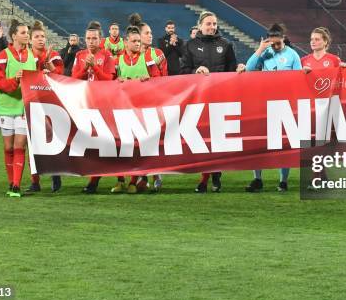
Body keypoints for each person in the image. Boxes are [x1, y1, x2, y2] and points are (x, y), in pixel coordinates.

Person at [181, 11, 240, 193]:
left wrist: (239, 69)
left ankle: (210, 177)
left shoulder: (226, 45)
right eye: (209, 23)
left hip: (221, 100)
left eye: (214, 24)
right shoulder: (190, 45)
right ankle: (209, 175)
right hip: (198, 100)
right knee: (204, 140)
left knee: (218, 140)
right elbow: (182, 72)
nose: (212, 27)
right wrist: (195, 72)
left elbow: (232, 71)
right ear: (200, 25)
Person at [243, 23, 302, 193]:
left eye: (277, 43)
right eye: (272, 43)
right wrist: (260, 49)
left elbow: (299, 79)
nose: (275, 47)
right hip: (264, 102)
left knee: (283, 143)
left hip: (285, 104)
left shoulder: (292, 55)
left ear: (283, 39)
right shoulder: (266, 52)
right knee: (259, 141)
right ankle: (257, 179)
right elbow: (248, 68)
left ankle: (283, 181)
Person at [112, 25, 168, 194]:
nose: (138, 44)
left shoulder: (147, 59)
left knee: (138, 147)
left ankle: (133, 182)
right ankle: (121, 180)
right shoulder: (117, 60)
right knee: (121, 146)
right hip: (122, 108)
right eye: (134, 41)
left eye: (139, 41)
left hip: (142, 109)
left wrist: (150, 78)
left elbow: (160, 81)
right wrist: (116, 80)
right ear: (125, 42)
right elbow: (108, 80)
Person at [72, 22, 117, 193]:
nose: (91, 41)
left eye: (94, 38)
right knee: (91, 143)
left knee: (105, 141)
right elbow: (74, 78)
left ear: (101, 39)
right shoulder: (80, 55)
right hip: (85, 104)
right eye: (88, 38)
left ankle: (94, 182)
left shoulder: (107, 56)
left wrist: (95, 67)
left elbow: (108, 80)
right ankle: (103, 178)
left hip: (103, 105)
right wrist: (86, 67)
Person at [0, 20, 36, 198]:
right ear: (13, 36)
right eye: (23, 32)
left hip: (23, 108)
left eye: (27, 32)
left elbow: (37, 81)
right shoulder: (3, 55)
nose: (27, 35)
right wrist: (16, 81)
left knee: (20, 146)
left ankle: (16, 185)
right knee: (8, 148)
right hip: (5, 107)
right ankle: (11, 182)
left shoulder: (33, 57)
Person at [26, 21, 64, 193]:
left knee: (52, 140)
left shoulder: (54, 54)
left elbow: (62, 76)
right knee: (31, 142)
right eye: (37, 37)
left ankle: (55, 174)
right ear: (30, 40)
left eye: (42, 36)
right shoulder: (26, 56)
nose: (41, 39)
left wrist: (51, 67)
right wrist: (40, 62)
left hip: (51, 103)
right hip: (31, 102)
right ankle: (35, 181)